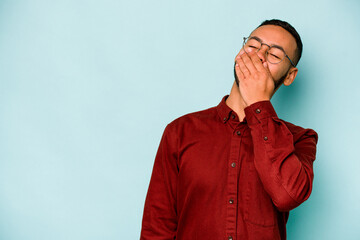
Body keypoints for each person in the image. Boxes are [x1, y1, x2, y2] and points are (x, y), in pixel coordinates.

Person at [140, 19, 318, 240]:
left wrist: (258, 103)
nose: (259, 55)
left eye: (274, 54)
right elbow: (157, 229)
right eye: (253, 45)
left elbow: (287, 195)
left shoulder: (300, 139)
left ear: (290, 76)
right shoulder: (180, 132)